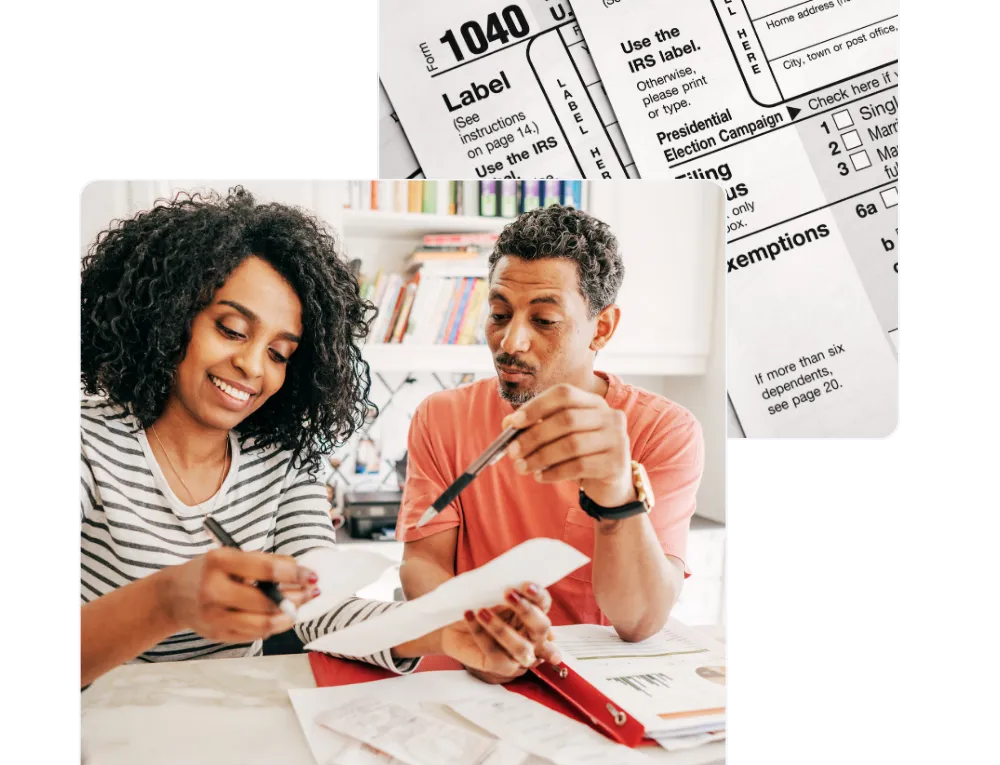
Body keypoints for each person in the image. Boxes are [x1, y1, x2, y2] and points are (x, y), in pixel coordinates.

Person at [78, 187, 558, 688]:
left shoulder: (281, 463)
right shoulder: (86, 442)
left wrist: (445, 630)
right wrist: (165, 601)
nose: (251, 366)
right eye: (232, 329)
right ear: (169, 317)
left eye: (280, 353)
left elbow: (323, 611)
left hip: (228, 723)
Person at [398, 204, 704, 681]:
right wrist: (478, 629)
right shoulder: (441, 417)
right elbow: (421, 564)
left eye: (543, 321)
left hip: (591, 683)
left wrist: (615, 487)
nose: (510, 342)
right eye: (499, 313)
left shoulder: (664, 431)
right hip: (467, 673)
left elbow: (640, 620)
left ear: (601, 328)